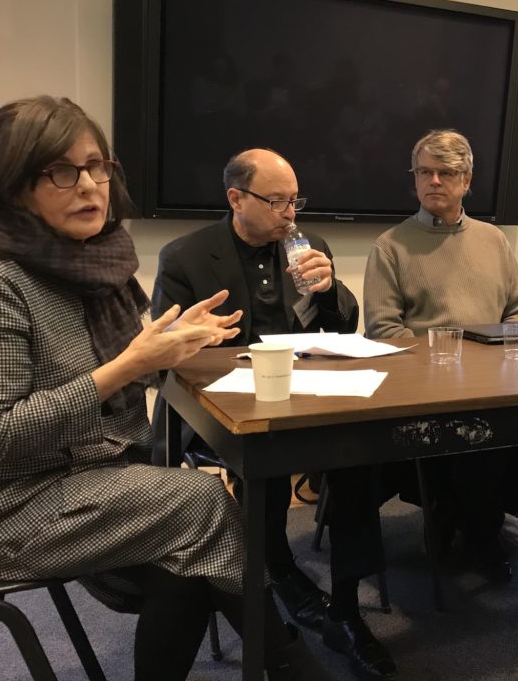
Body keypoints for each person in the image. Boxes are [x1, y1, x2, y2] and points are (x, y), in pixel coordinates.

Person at [0, 96, 328, 681]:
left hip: (82, 473)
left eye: (98, 166)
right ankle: (295, 666)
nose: (90, 186)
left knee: (192, 554)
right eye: (63, 171)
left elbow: (130, 372)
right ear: (15, 188)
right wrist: (129, 363)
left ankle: (290, 664)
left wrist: (173, 348)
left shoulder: (98, 263)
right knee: (201, 504)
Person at [153, 149, 393, 681]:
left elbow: (340, 328)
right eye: (277, 201)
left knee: (360, 458)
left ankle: (346, 608)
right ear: (236, 199)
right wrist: (195, 338)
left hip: (303, 394)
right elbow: (164, 356)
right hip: (220, 404)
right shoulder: (185, 257)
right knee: (263, 468)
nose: (290, 213)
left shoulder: (310, 246)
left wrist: (331, 290)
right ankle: (278, 570)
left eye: (295, 201)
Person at [364, 128, 518, 581]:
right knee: (478, 441)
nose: (433, 181)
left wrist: (499, 361)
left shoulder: (493, 240)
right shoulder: (390, 247)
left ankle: (458, 508)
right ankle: (480, 528)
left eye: (446, 172)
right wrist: (449, 363)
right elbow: (385, 333)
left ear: (466, 180)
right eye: (424, 172)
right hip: (430, 395)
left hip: (499, 387)